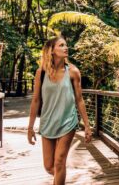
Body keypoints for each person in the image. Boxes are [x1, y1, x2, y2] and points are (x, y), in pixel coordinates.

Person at [27, 35, 92, 185]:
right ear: (52, 50)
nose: (66, 48)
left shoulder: (73, 72)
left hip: (67, 122)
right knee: (49, 166)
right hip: (48, 122)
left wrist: (87, 126)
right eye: (61, 45)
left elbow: (79, 100)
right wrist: (30, 127)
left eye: (66, 45)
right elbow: (36, 100)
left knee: (59, 163)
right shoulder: (41, 73)